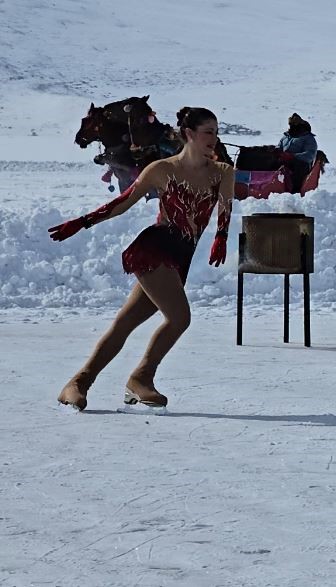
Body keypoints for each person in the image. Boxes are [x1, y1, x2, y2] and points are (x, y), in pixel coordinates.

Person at [49, 107, 235, 411]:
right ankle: (141, 378)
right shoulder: (161, 169)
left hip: (180, 258)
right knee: (180, 318)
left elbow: (225, 207)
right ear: (189, 134)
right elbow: (123, 203)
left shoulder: (223, 172)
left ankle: (78, 383)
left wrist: (221, 237)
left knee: (124, 324)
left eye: (216, 131)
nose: (214, 138)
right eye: (208, 132)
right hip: (154, 249)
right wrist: (82, 222)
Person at [278, 113, 318, 192]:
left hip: (300, 164)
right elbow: (279, 147)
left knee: (299, 165)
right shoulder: (285, 137)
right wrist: (275, 152)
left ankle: (295, 191)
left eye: (294, 124)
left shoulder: (308, 138)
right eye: (291, 124)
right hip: (284, 162)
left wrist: (292, 156)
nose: (292, 126)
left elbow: (309, 155)